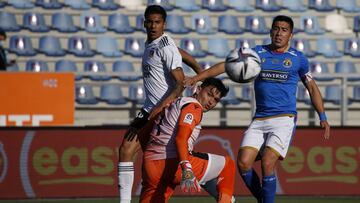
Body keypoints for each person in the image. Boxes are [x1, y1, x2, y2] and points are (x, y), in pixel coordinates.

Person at [184, 15, 331, 203]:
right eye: (276, 28)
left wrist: (323, 116)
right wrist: (197, 79)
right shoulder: (258, 53)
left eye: (284, 30)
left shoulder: (298, 59)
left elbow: (312, 87)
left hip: (284, 118)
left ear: (291, 35)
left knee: (268, 162)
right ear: (270, 31)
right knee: (243, 163)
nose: (279, 33)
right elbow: (226, 66)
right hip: (260, 118)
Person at [117, 5, 202, 203]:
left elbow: (180, 83)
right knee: (132, 153)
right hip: (149, 108)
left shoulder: (164, 45)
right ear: (144, 23)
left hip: (162, 110)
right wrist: (199, 70)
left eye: (157, 22)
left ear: (164, 24)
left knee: (130, 150)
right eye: (150, 22)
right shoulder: (156, 44)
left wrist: (161, 107)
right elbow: (179, 52)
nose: (153, 26)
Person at [140, 77, 235, 203]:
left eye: (216, 100)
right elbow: (180, 139)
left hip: (150, 164)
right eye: (209, 94)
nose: (211, 101)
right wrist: (187, 168)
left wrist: (152, 159)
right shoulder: (194, 106)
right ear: (199, 89)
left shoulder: (173, 103)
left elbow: (142, 133)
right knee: (228, 165)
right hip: (173, 164)